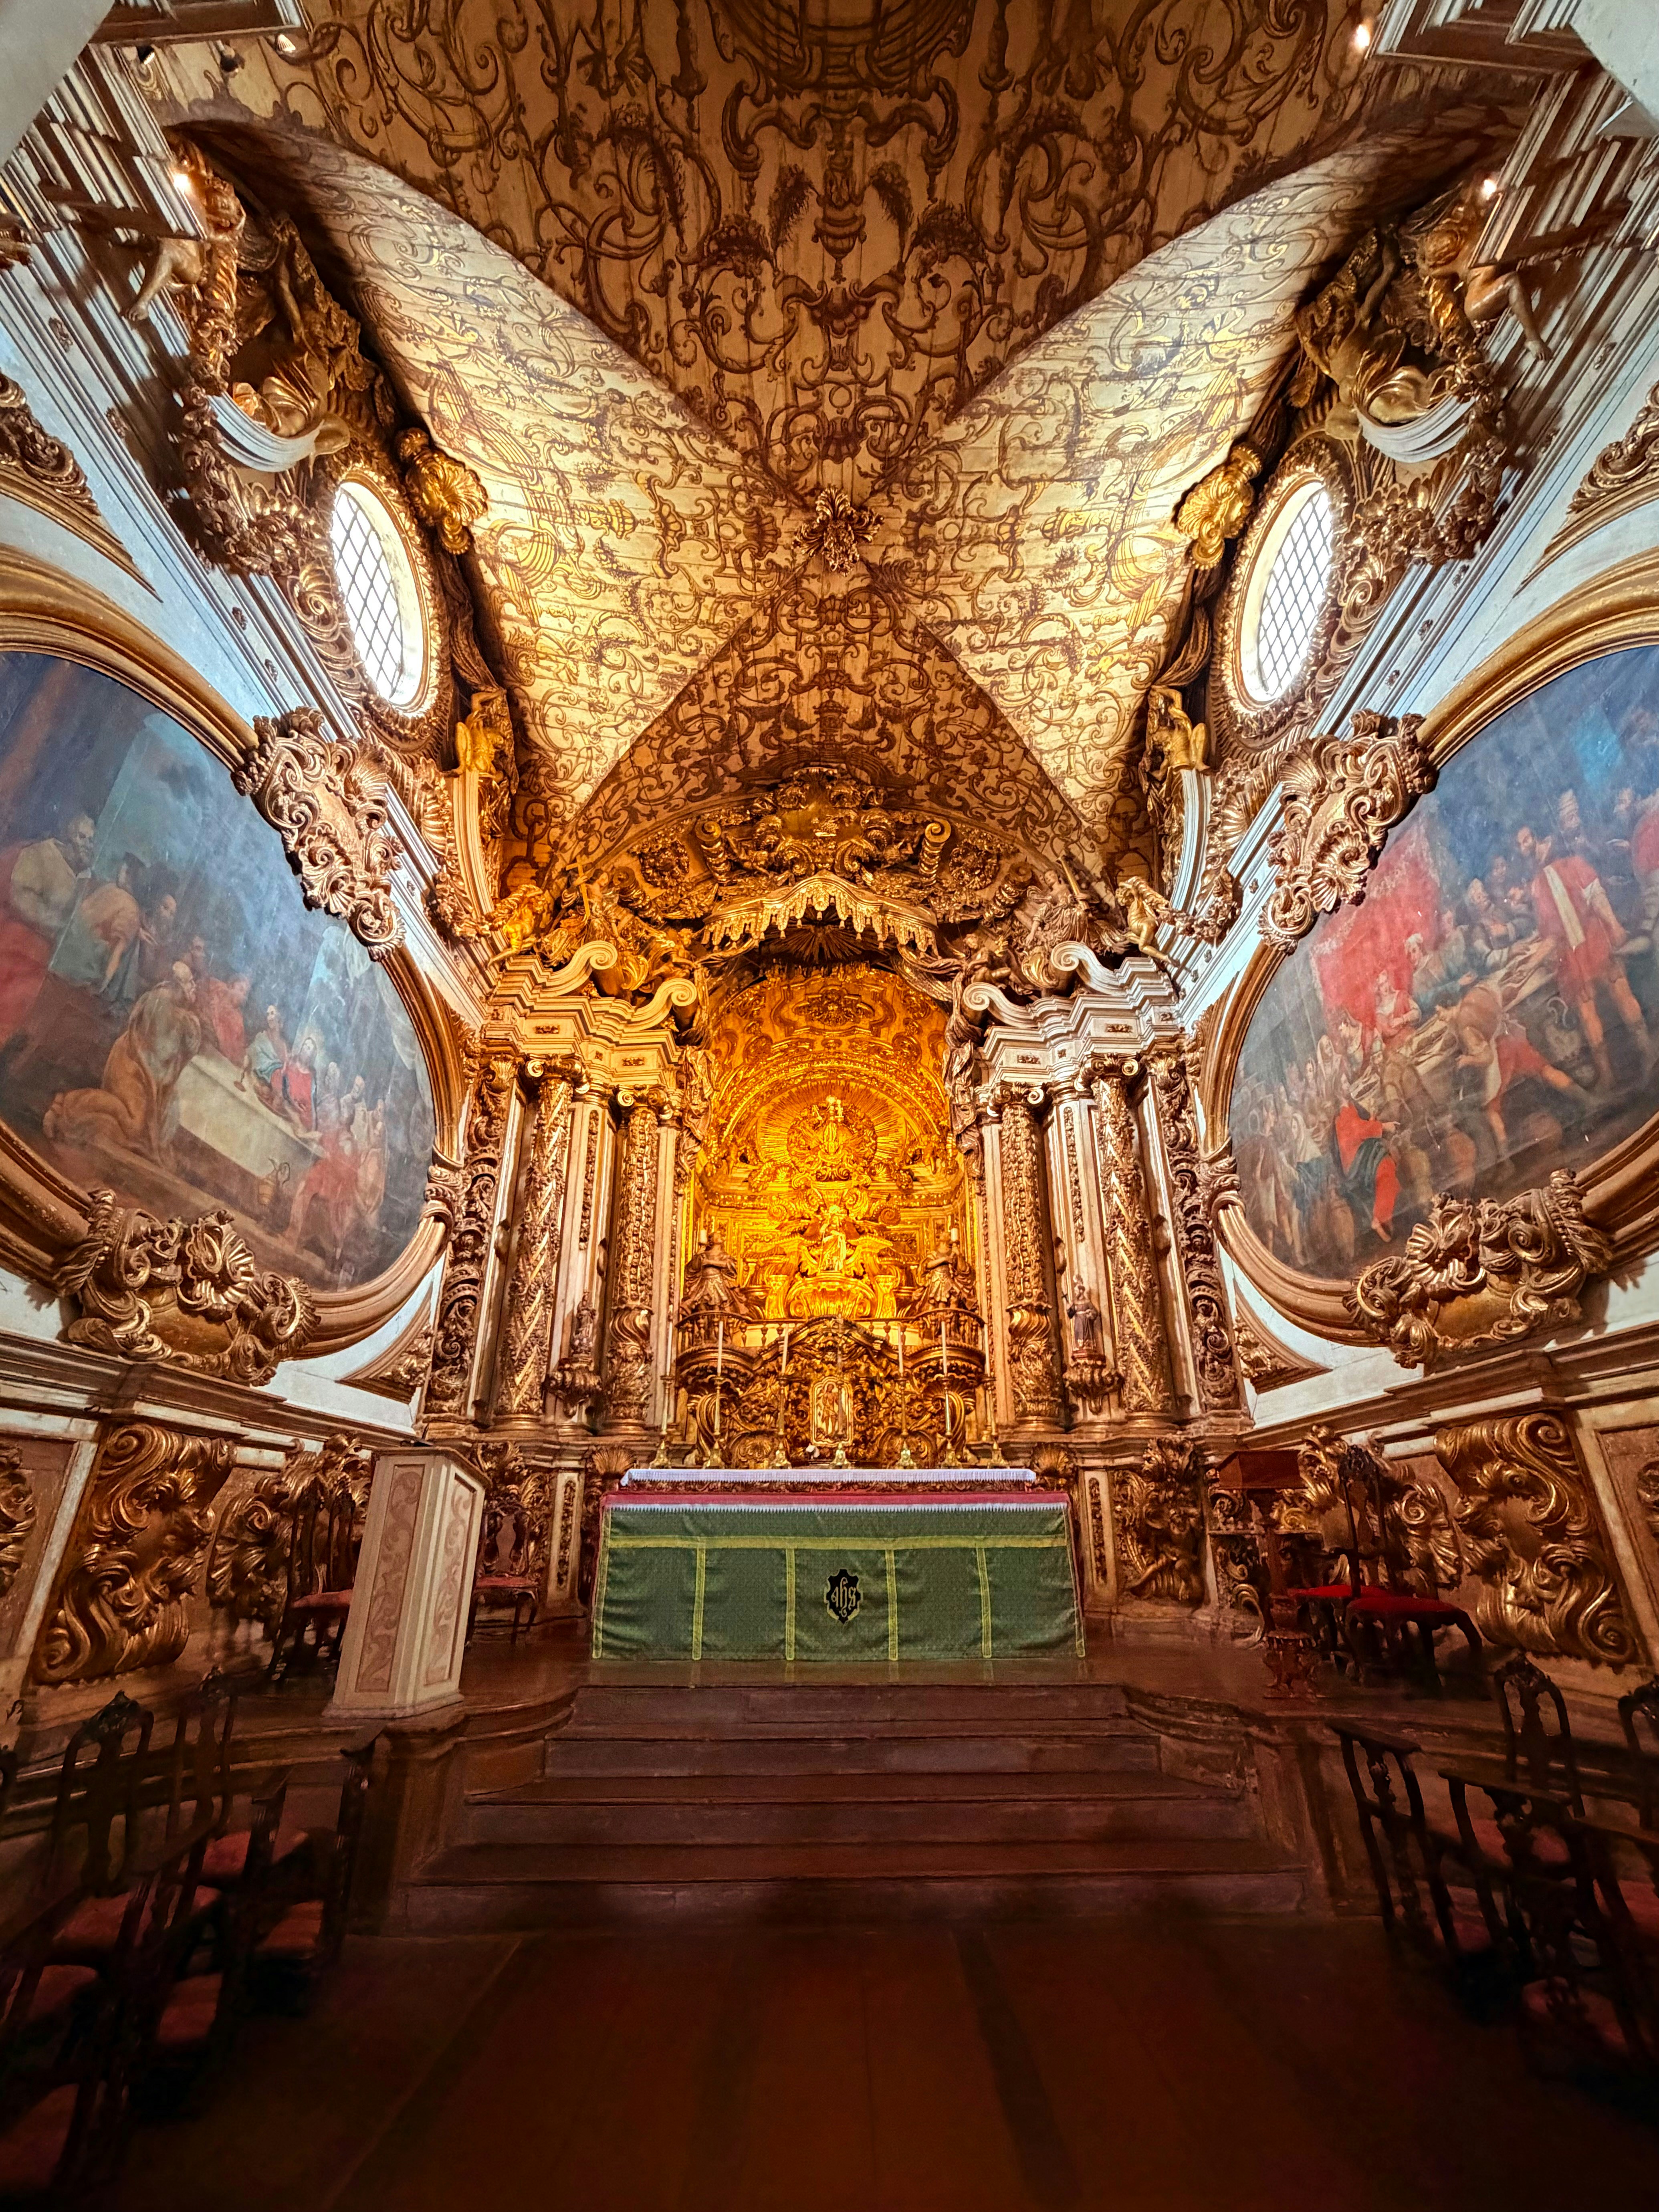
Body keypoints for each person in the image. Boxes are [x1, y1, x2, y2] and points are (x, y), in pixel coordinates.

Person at [1516, 821, 1650, 1086]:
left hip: (1594, 940)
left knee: (1621, 993)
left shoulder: (1570, 864)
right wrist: (1530, 962)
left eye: (1528, 840)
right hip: (1571, 955)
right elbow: (1553, 933)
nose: (1528, 848)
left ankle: (1647, 1052)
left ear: (1546, 839)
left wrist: (1614, 926)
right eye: (1521, 845)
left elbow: (1595, 895)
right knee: (1588, 1014)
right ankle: (1607, 1075)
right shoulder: (1538, 885)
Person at [44, 961, 202, 1159]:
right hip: (132, 1067)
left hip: (144, 1070)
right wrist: (188, 1027)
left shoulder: (173, 1007)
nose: (193, 987)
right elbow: (163, 1050)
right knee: (134, 1124)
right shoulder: (162, 1001)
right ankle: (64, 1107)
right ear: (178, 985)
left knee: (144, 1130)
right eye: (190, 983)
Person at [0, 810, 95, 1048]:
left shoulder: (82, 878)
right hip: (15, 946)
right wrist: (55, 923)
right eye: (82, 838)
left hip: (40, 961)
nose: (86, 845)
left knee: (12, 1022)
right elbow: (20, 895)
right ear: (69, 836)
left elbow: (78, 926)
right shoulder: (41, 854)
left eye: (91, 841)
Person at [196, 971, 252, 1063]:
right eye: (241, 989)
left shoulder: (237, 1020)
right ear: (231, 986)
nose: (242, 996)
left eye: (245, 994)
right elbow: (199, 991)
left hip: (210, 1049)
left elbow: (230, 1048)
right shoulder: (215, 987)